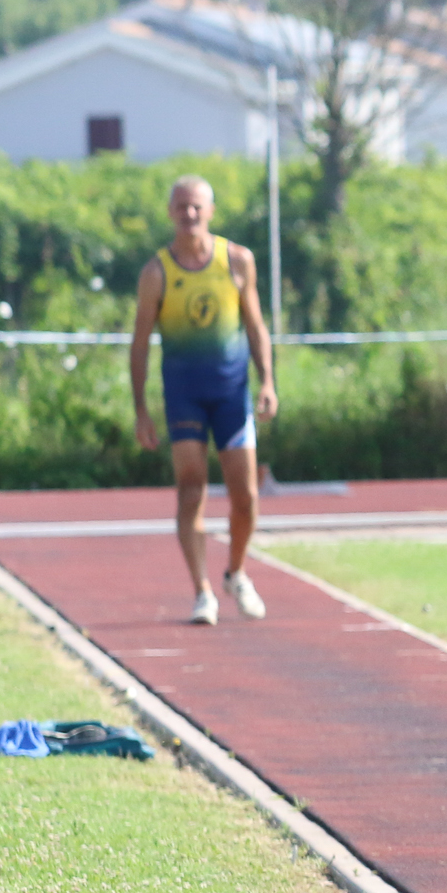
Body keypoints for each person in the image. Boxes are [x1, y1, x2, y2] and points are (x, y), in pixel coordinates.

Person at [128, 175, 277, 625]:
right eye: (181, 207)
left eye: (196, 207)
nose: (189, 214)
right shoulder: (157, 273)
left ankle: (236, 572)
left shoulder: (237, 260)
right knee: (191, 490)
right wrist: (141, 409)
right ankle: (202, 591)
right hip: (184, 397)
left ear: (210, 211)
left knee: (245, 496)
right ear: (170, 212)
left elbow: (255, 325)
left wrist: (267, 380)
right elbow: (139, 343)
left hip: (231, 394)